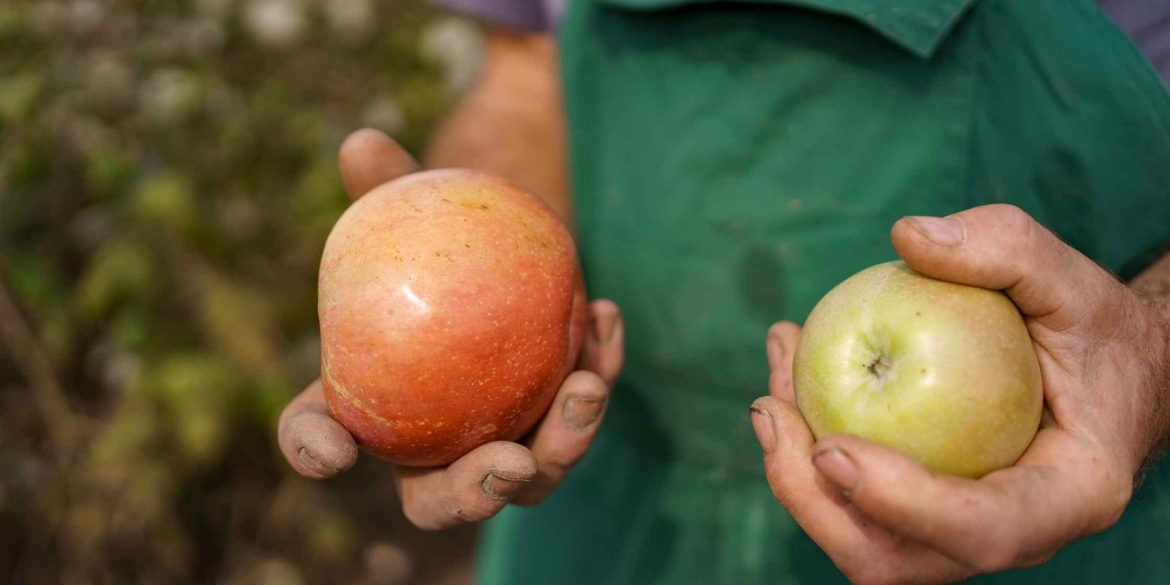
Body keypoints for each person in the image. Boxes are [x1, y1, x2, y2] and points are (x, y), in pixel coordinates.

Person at [278, 0, 1170, 583]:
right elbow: (522, 71)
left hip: (1049, 497)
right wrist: (469, 268)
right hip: (620, 488)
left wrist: (1151, 349)